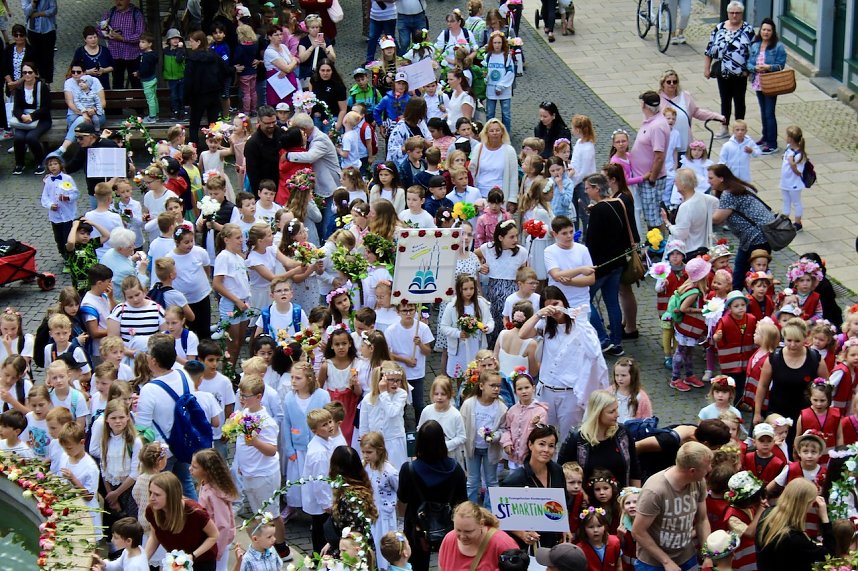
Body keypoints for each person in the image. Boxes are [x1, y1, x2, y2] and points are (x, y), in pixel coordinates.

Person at [519, 286, 608, 439]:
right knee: (544, 436)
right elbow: (523, 334)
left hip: (570, 392)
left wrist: (581, 322)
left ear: (563, 301)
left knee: (569, 438)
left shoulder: (580, 324)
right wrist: (539, 314)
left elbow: (594, 352)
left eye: (556, 303)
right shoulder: (546, 325)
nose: (554, 309)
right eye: (549, 305)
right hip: (546, 391)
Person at [398, 420, 468, 571]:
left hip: (417, 528)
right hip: (448, 527)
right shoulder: (455, 469)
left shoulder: (408, 469)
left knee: (417, 566)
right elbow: (463, 501)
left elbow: (403, 497)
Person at [632, 441, 713, 571]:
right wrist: (666, 562)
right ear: (692, 471)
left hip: (687, 557)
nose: (710, 469)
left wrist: (708, 554)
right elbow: (638, 531)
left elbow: (702, 520)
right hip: (654, 563)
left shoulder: (698, 482)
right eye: (707, 466)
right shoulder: (655, 491)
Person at [135, 334, 199, 499]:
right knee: (186, 482)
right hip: (184, 442)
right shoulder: (184, 375)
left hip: (162, 450)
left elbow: (142, 428)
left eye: (148, 354)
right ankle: (198, 517)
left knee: (164, 490)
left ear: (154, 361)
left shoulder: (149, 390)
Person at [754, 318, 829, 450]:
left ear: (805, 339)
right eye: (789, 340)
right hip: (778, 409)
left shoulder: (814, 359)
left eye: (797, 341)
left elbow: (826, 386)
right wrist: (757, 412)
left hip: (805, 411)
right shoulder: (774, 358)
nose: (792, 345)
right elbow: (762, 386)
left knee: (801, 447)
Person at [583, 174, 633, 357]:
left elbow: (592, 242)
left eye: (588, 187)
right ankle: (617, 342)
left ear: (597, 188)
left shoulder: (598, 211)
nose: (586, 191)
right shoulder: (618, 203)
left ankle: (603, 339)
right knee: (612, 302)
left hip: (601, 265)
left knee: (584, 300)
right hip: (618, 262)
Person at [558, 390, 641, 488]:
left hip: (621, 499)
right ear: (597, 413)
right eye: (611, 412)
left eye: (616, 409)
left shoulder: (622, 433)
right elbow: (561, 471)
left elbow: (634, 469)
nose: (617, 414)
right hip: (587, 501)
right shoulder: (577, 439)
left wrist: (636, 495)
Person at [709, 164, 774, 289]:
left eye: (711, 178)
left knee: (754, 273)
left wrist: (702, 213)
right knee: (740, 271)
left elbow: (717, 218)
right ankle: (737, 297)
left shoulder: (729, 194)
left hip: (756, 238)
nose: (708, 181)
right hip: (754, 237)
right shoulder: (739, 187)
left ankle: (749, 299)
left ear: (721, 178)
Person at [504, 424, 567, 548]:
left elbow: (563, 503)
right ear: (530, 444)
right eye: (541, 444)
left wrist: (565, 528)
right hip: (528, 546)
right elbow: (503, 518)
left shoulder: (557, 471)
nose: (546, 450)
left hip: (555, 540)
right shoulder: (514, 480)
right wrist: (522, 534)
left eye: (551, 446)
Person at [144, 472, 220, 570]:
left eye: (157, 495)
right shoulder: (152, 510)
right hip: (176, 562)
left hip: (201, 561)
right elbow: (154, 537)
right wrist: (143, 559)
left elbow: (214, 535)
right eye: (150, 493)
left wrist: (192, 556)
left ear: (171, 495)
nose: (151, 498)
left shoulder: (195, 513)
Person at [755, 478, 835, 570]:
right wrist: (825, 518)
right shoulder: (794, 538)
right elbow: (829, 554)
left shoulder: (767, 515)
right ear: (805, 504)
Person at [284, 112, 342, 239]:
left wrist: (288, 155)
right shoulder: (309, 138)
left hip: (329, 187)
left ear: (303, 130)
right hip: (319, 187)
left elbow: (310, 156)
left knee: (327, 222)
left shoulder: (320, 139)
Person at [703, 1, 755, 139]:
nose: (734, 16)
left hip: (740, 73)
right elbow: (709, 50)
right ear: (728, 13)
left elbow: (753, 53)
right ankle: (724, 126)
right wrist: (707, 68)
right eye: (732, 13)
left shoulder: (748, 30)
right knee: (725, 100)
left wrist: (749, 70)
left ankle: (739, 129)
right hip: (723, 72)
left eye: (737, 13)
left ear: (741, 14)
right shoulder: (719, 28)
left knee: (739, 101)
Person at [438, 501, 519, 571]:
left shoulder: (502, 543)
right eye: (458, 530)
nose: (462, 536)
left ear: (481, 524)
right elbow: (441, 566)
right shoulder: (449, 539)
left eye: (468, 531)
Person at [657, 69, 723, 155]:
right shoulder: (657, 99)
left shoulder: (685, 96)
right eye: (669, 82)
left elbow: (696, 112)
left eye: (675, 81)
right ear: (663, 83)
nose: (672, 84)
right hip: (667, 146)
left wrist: (715, 116)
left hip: (685, 143)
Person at [630, 91, 670, 232]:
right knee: (650, 216)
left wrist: (652, 178)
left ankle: (659, 248)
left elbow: (659, 156)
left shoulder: (657, 126)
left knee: (654, 219)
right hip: (645, 178)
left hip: (651, 180)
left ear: (644, 105)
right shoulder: (651, 120)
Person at [747, 19, 787, 154]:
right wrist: (754, 68)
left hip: (770, 83)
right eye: (764, 29)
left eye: (769, 30)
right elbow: (749, 63)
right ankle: (765, 137)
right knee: (763, 111)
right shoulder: (755, 45)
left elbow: (781, 65)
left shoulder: (778, 47)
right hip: (758, 82)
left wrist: (769, 67)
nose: (766, 32)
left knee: (770, 113)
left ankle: (772, 143)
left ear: (773, 32)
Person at [663, 168, 719, 254]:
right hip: (704, 247)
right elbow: (716, 202)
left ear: (684, 185)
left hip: (689, 251)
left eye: (676, 181)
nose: (675, 184)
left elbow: (680, 235)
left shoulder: (686, 207)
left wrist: (667, 222)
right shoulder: (706, 198)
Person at [185, 31, 226, 145]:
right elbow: (224, 71)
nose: (190, 44)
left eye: (192, 42)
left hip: (197, 97)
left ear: (198, 42)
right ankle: (215, 147)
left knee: (194, 125)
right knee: (213, 124)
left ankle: (193, 149)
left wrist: (186, 98)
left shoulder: (192, 60)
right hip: (213, 95)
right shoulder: (214, 56)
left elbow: (189, 80)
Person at [11, 61, 51, 176]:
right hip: (24, 119)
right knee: (18, 137)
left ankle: (40, 162)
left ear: (35, 73)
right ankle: (19, 163)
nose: (27, 75)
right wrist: (22, 116)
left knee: (31, 137)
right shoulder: (19, 88)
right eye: (24, 73)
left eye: (30, 72)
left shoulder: (42, 87)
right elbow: (16, 108)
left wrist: (32, 116)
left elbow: (46, 107)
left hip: (42, 118)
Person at [470, 119, 519, 207]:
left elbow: (514, 176)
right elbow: (472, 170)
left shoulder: (509, 150)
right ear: (486, 133)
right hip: (480, 195)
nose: (495, 133)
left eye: (497, 130)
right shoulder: (478, 148)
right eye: (491, 131)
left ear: (502, 132)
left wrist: (512, 199)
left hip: (500, 197)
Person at [99, 0, 145, 89]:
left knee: (136, 83)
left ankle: (137, 102)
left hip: (133, 55)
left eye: (121, 0)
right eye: (116, 0)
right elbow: (99, 30)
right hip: (115, 54)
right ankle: (118, 102)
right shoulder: (110, 13)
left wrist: (122, 38)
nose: (118, 2)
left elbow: (140, 35)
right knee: (117, 83)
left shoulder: (136, 14)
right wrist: (108, 34)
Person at [246, 106, 282, 195]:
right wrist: (259, 195)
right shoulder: (252, 144)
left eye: (274, 122)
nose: (271, 125)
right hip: (266, 188)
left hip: (282, 183)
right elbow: (253, 174)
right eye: (267, 123)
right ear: (259, 122)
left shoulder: (281, 133)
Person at [23, 0, 57, 85]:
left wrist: (39, 14)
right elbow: (26, 12)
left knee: (48, 56)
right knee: (35, 56)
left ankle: (47, 82)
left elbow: (53, 9)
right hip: (33, 29)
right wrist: (33, 3)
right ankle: (37, 80)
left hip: (48, 29)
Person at [266, 25, 300, 107]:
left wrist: (291, 64)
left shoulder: (284, 46)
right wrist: (294, 61)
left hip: (290, 83)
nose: (280, 37)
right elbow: (288, 67)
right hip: (278, 86)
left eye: (281, 34)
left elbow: (292, 66)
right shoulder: (269, 51)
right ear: (270, 37)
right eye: (276, 35)